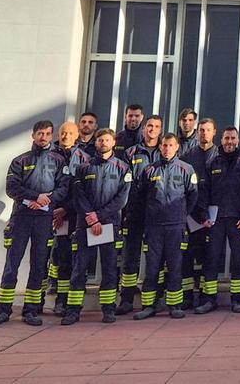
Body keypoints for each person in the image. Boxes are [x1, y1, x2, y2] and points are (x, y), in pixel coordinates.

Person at [0, 121, 70, 326]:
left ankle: (32, 310)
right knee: (12, 264)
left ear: (52, 136)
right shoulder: (20, 160)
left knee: (39, 264)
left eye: (48, 134)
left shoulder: (59, 161)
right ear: (33, 135)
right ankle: (3, 310)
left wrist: (47, 200)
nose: (44, 137)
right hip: (21, 218)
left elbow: (64, 187)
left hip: (45, 219)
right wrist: (34, 198)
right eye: (40, 133)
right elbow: (11, 187)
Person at [61, 128, 131, 325]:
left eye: (107, 140)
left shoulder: (123, 169)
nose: (103, 143)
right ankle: (73, 310)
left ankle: (108, 309)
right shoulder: (84, 168)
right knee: (79, 267)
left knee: (109, 268)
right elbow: (79, 196)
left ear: (113, 143)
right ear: (96, 142)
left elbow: (121, 199)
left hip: (109, 224)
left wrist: (99, 216)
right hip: (85, 225)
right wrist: (91, 219)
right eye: (100, 140)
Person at [131, 133, 198, 320]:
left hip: (175, 226)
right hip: (154, 226)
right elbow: (140, 197)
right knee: (152, 267)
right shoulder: (149, 170)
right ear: (160, 147)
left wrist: (182, 214)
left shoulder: (186, 169)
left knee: (175, 266)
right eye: (164, 145)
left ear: (177, 147)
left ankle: (175, 305)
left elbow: (193, 195)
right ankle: (148, 305)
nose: (167, 148)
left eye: (171, 145)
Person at [194, 127, 240, 314]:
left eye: (233, 138)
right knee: (212, 259)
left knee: (238, 260)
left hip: (238, 219)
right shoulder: (213, 162)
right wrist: (204, 216)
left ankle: (237, 299)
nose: (229, 141)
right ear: (221, 140)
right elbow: (203, 192)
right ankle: (209, 299)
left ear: (238, 140)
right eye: (226, 138)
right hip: (215, 220)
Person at [117, 115, 163, 315]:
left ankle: (154, 299)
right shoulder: (130, 153)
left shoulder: (166, 152)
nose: (152, 130)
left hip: (157, 213)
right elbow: (124, 183)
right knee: (130, 257)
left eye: (156, 127)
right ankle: (126, 299)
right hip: (135, 212)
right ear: (144, 129)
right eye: (149, 126)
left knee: (155, 258)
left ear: (161, 130)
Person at [48, 122, 91, 315]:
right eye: (63, 132)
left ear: (77, 135)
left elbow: (84, 190)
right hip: (52, 213)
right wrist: (54, 209)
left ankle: (70, 300)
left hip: (75, 214)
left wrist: (65, 208)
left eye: (70, 133)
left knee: (75, 258)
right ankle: (56, 299)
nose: (66, 136)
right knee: (58, 256)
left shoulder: (84, 158)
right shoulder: (48, 155)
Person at [179, 118, 219, 310]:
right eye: (201, 130)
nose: (204, 133)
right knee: (188, 257)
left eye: (207, 130)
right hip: (192, 215)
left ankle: (208, 297)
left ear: (214, 133)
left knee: (210, 258)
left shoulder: (219, 155)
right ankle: (187, 296)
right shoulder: (187, 157)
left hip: (213, 214)